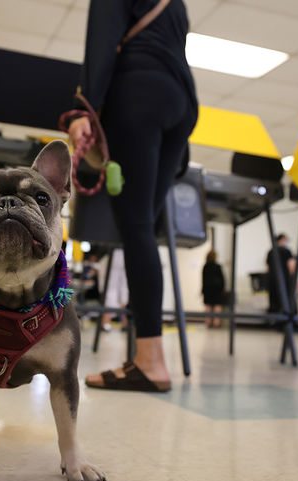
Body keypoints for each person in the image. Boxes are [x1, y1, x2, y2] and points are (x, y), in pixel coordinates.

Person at [69, 0, 198, 392]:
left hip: (138, 91)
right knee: (143, 228)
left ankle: (151, 362)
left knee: (136, 226)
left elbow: (102, 41)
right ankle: (147, 355)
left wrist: (83, 109)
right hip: (181, 102)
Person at [266, 233, 297, 316]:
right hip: (285, 281)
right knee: (287, 302)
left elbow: (268, 268)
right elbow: (291, 266)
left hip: (273, 281)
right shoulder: (286, 251)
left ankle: (275, 320)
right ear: (282, 240)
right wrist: (296, 280)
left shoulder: (270, 252)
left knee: (274, 303)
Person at [201, 250, 226, 328]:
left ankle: (208, 322)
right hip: (217, 290)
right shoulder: (218, 266)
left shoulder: (205, 266)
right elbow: (222, 279)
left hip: (207, 289)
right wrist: (222, 289)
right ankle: (216, 323)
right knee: (217, 306)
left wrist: (203, 290)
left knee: (208, 306)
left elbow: (203, 280)